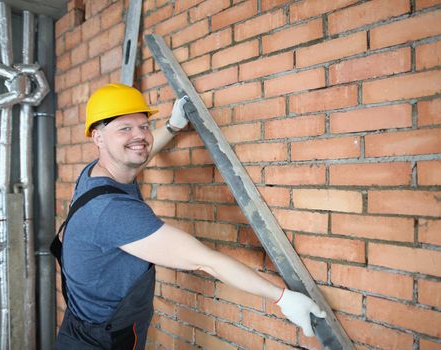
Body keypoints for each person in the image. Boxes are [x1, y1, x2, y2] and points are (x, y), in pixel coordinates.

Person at [52, 83, 326, 349]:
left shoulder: (98, 173)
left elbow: (141, 153)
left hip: (84, 326)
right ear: (97, 138)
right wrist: (281, 298)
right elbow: (205, 261)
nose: (139, 136)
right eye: (125, 128)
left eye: (143, 126)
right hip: (101, 341)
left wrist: (172, 126)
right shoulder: (113, 212)